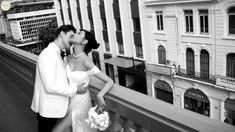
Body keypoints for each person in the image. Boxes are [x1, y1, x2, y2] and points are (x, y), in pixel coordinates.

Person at [53, 29, 114, 132]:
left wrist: (100, 95)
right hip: (68, 101)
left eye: (79, 34)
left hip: (80, 105)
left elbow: (109, 81)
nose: (74, 34)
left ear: (84, 41)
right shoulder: (68, 58)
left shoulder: (86, 62)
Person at [31, 25, 89, 132]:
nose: (72, 39)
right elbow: (50, 87)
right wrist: (76, 90)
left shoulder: (59, 53)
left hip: (54, 108)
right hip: (48, 109)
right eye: (70, 36)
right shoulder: (48, 55)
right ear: (62, 34)